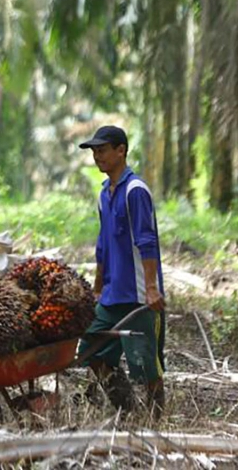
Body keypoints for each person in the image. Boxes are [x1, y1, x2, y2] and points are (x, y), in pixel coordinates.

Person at [77, 125, 166, 420]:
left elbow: (147, 240)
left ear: (121, 151)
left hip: (139, 294)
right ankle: (125, 408)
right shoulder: (104, 193)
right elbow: (103, 243)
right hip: (112, 293)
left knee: (145, 364)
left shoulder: (135, 191)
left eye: (102, 150)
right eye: (94, 152)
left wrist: (152, 288)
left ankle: (155, 420)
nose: (97, 157)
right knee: (91, 349)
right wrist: (98, 286)